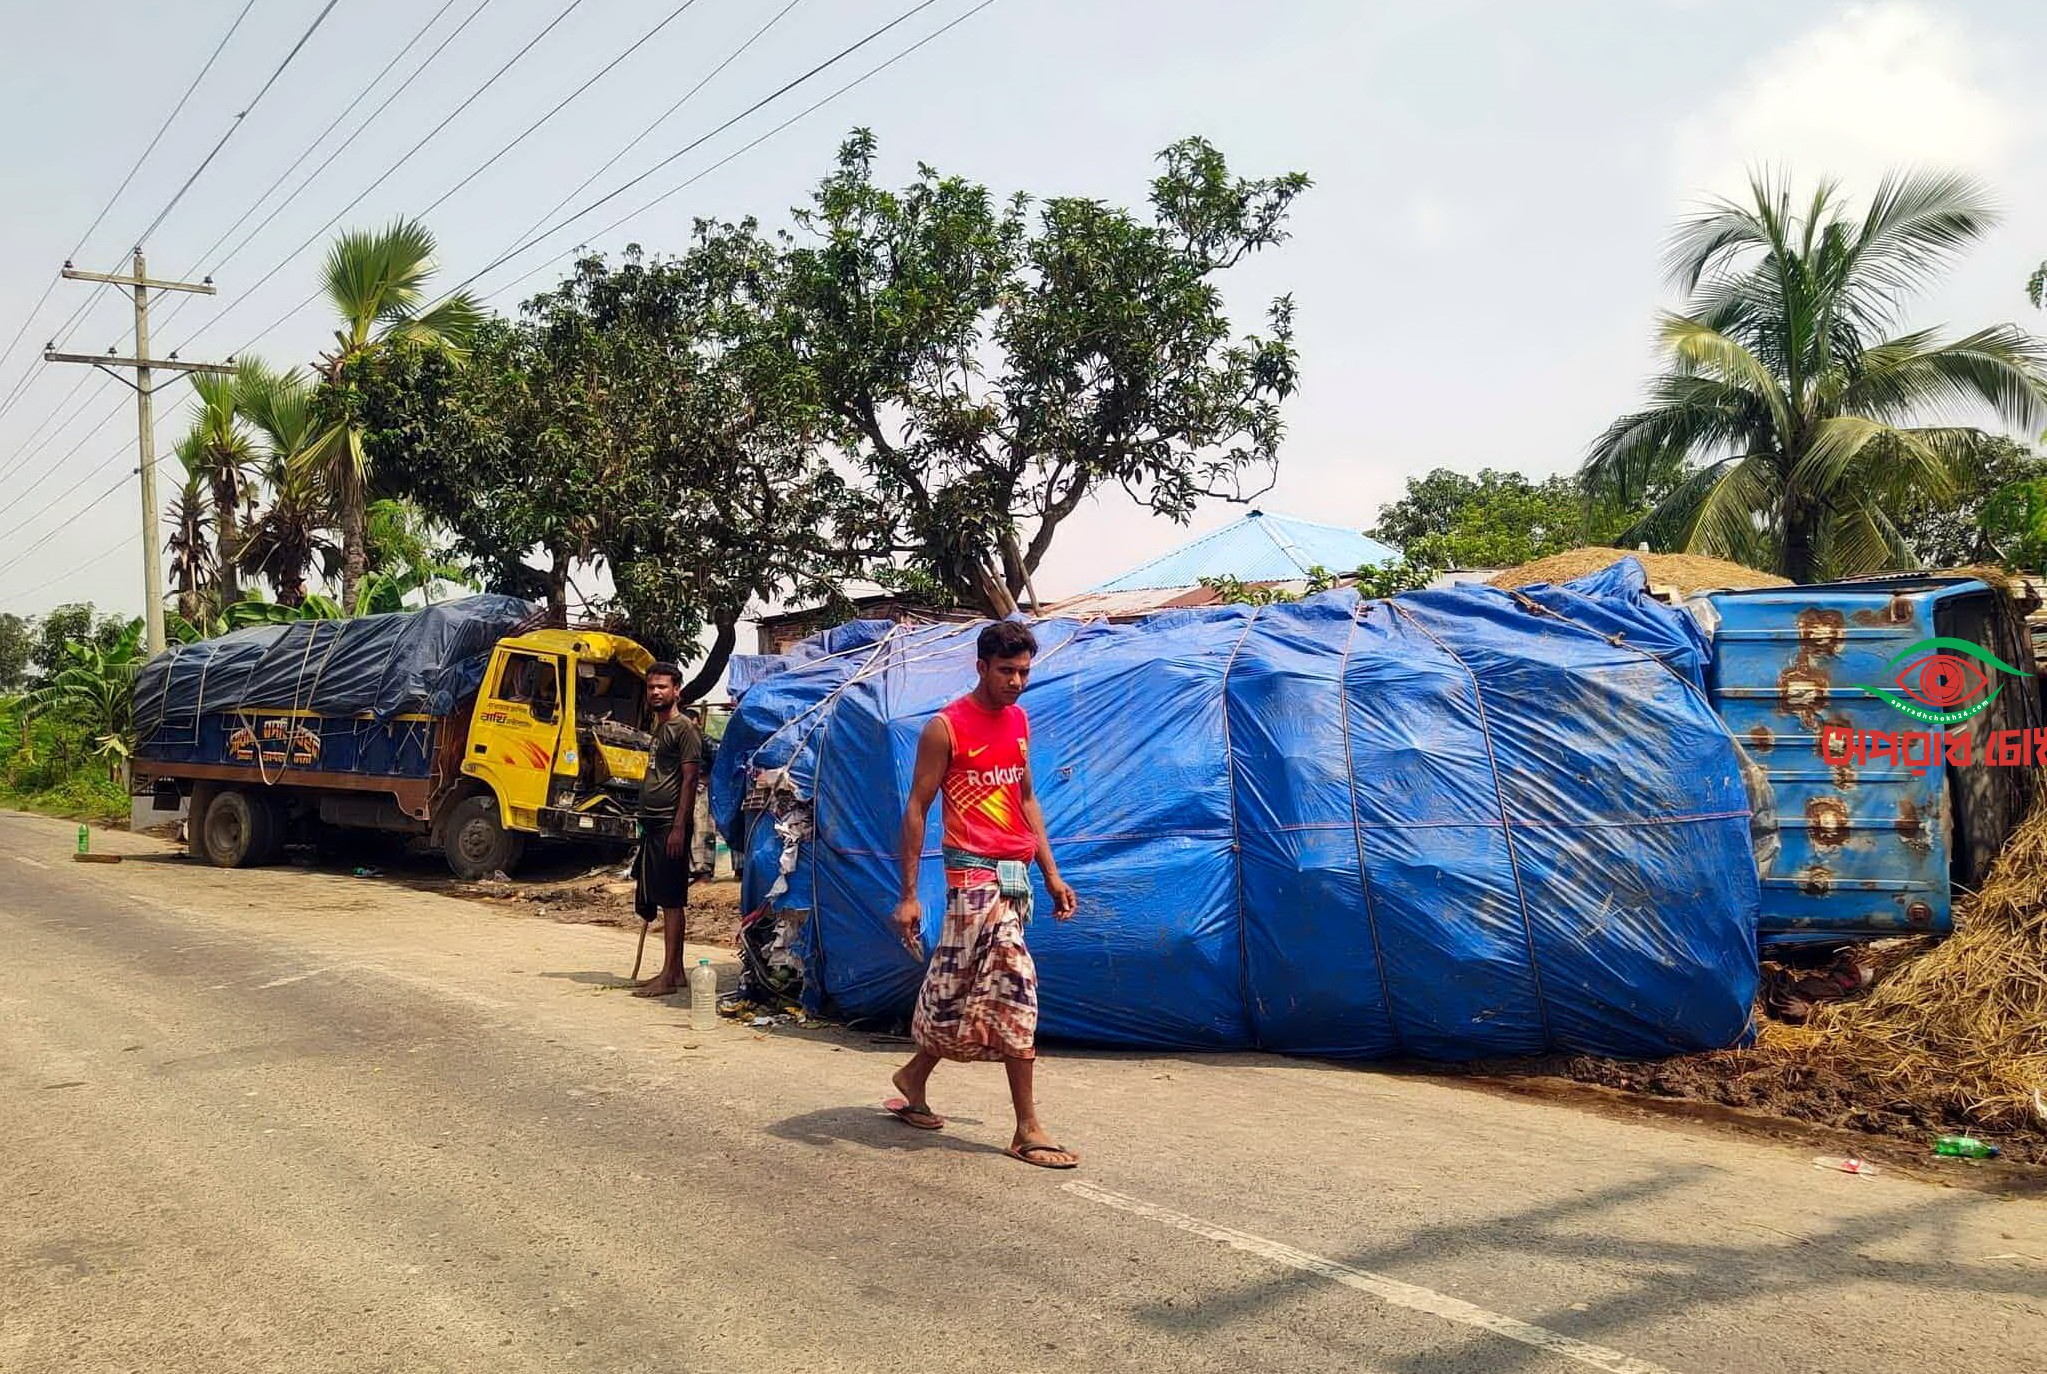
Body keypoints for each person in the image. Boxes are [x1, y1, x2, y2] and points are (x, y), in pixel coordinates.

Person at [886, 621, 1081, 1168]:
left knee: (960, 987)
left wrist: (1051, 873)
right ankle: (1027, 1127)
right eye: (1006, 671)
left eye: (1023, 672)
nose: (1016, 682)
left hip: (1015, 878)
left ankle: (913, 1076)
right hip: (972, 878)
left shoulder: (1018, 720)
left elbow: (1026, 799)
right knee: (1017, 984)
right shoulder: (945, 727)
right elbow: (917, 808)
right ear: (981, 667)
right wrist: (908, 894)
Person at [633, 662, 704, 997]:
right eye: (651, 687)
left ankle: (668, 976)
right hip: (654, 822)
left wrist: (678, 827)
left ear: (677, 690)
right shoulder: (661, 727)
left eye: (662, 687)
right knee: (662, 896)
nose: (656, 692)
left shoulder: (684, 728)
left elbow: (690, 779)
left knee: (672, 900)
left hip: (669, 824)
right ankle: (674, 973)